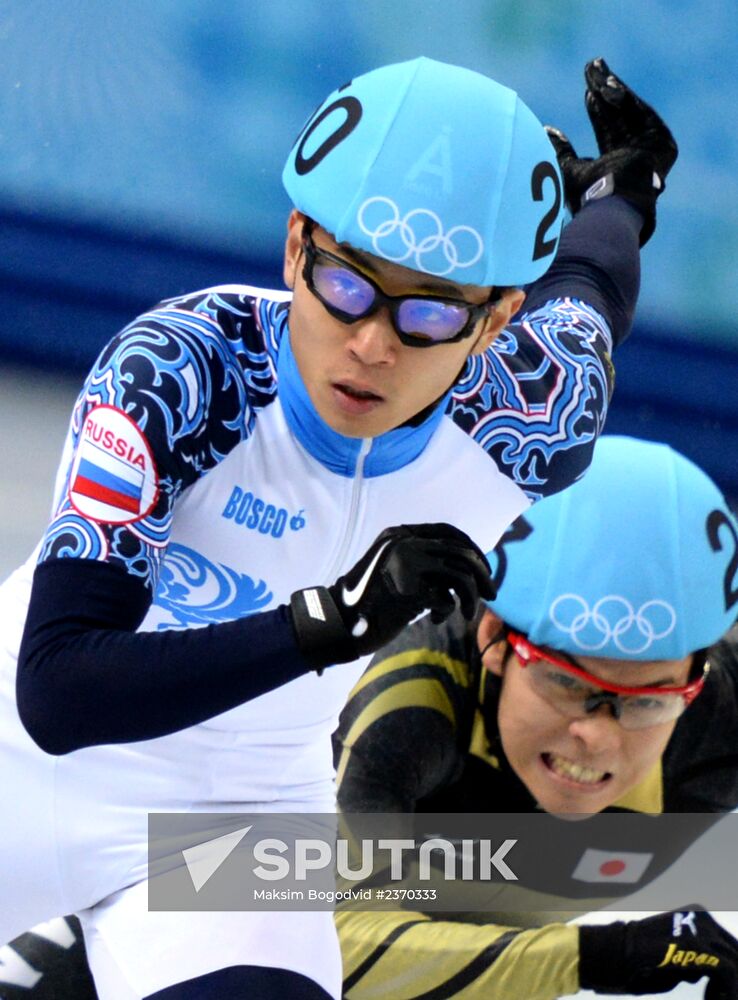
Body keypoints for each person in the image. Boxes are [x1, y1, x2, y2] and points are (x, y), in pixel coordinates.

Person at [0, 55, 676, 999]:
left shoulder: (528, 420)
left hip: (240, 819)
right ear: (293, 248)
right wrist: (324, 624)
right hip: (20, 770)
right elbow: (59, 695)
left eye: (431, 310)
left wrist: (623, 192)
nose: (371, 343)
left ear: (496, 322)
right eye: (346, 284)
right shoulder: (184, 372)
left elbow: (590, 289)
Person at [334, 435, 738, 999]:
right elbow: (328, 949)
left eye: (649, 700)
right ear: (493, 637)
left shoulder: (722, 711)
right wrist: (595, 957)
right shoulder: (405, 706)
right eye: (566, 681)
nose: (597, 737)